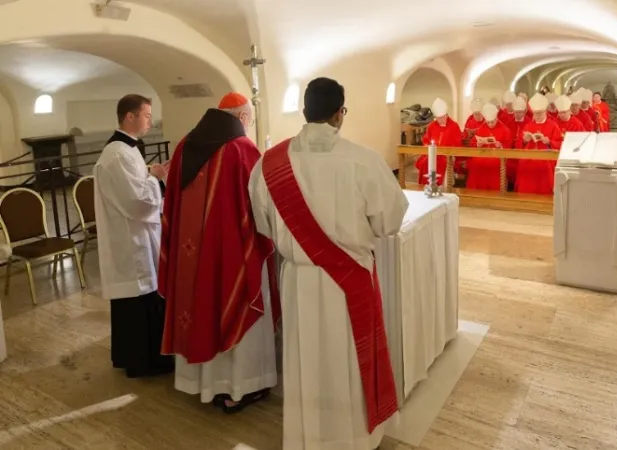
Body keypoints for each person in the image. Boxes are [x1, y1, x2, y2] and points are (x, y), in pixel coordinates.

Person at [248, 77, 408, 450]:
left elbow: (263, 224)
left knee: (307, 361)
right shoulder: (362, 159)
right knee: (348, 361)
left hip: (298, 281)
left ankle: (308, 436)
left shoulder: (268, 164)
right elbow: (389, 222)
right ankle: (352, 439)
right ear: (340, 113)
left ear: (305, 111)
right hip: (348, 280)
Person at [158, 93, 281, 413]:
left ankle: (200, 383)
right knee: (238, 304)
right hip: (232, 255)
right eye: (250, 121)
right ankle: (240, 388)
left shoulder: (185, 144)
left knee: (198, 309)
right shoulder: (242, 149)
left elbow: (172, 200)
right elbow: (262, 205)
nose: (249, 127)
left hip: (191, 258)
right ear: (242, 118)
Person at [94, 94, 174, 378]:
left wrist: (151, 173)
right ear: (129, 116)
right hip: (131, 242)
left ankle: (141, 357)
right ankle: (144, 362)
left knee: (142, 300)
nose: (150, 122)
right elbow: (136, 202)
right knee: (138, 301)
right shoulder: (117, 154)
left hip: (136, 236)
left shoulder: (127, 151)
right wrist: (157, 178)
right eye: (147, 116)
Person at [515, 93, 562, 195]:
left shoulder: (553, 126)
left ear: (545, 111)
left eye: (540, 113)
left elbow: (559, 144)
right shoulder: (528, 126)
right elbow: (519, 144)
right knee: (523, 164)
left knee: (545, 167)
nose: (537, 116)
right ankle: (524, 195)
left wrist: (549, 141)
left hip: (546, 157)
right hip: (529, 157)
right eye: (535, 113)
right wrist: (524, 140)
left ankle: (545, 196)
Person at [415, 97, 463, 185]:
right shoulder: (432, 126)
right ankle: (425, 187)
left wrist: (449, 153)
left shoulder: (454, 126)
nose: (439, 120)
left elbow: (458, 143)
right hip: (433, 154)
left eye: (441, 118)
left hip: (447, 156)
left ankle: (442, 189)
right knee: (424, 163)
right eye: (437, 118)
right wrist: (427, 146)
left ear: (446, 115)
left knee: (443, 163)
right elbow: (426, 140)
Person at [467, 103, 513, 191]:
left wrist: (500, 145)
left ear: (496, 118)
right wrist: (478, 144)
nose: (490, 124)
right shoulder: (481, 128)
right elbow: (473, 143)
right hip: (482, 157)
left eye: (492, 122)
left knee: (494, 166)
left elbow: (509, 145)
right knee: (475, 165)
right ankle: (476, 194)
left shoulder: (505, 129)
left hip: (497, 158)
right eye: (488, 122)